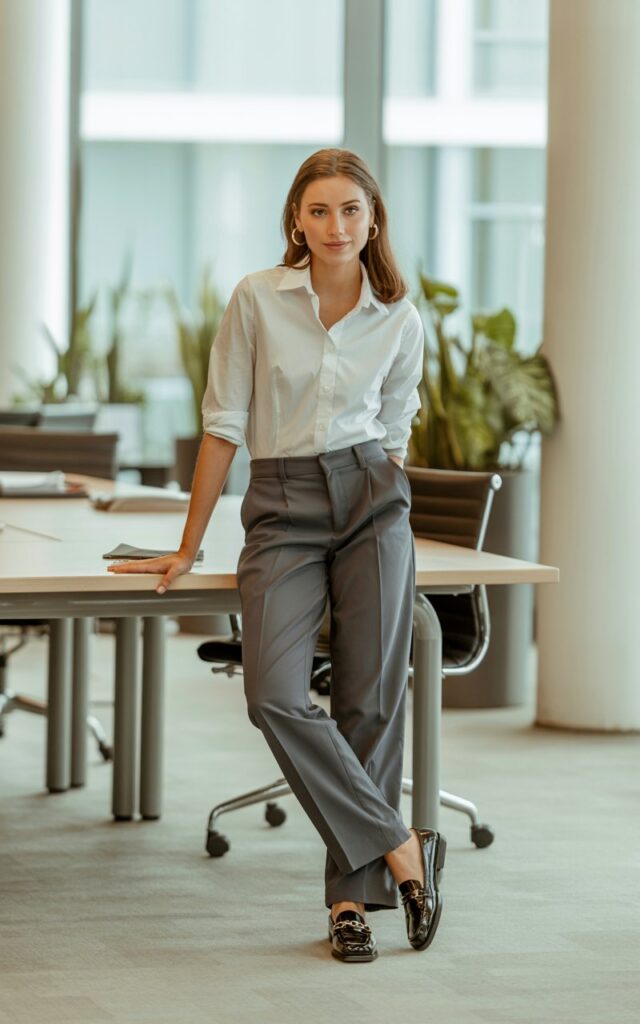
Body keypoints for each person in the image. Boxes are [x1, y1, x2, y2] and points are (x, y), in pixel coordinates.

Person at [108, 148, 446, 963]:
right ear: (297, 218)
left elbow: (395, 432)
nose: (337, 227)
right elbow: (225, 423)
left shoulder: (399, 316)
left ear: (374, 221)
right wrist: (190, 545)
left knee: (369, 703)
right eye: (321, 210)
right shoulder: (257, 299)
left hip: (372, 501)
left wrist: (386, 513)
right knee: (273, 691)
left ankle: (349, 904)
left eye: (352, 212)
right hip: (284, 506)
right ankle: (403, 845)